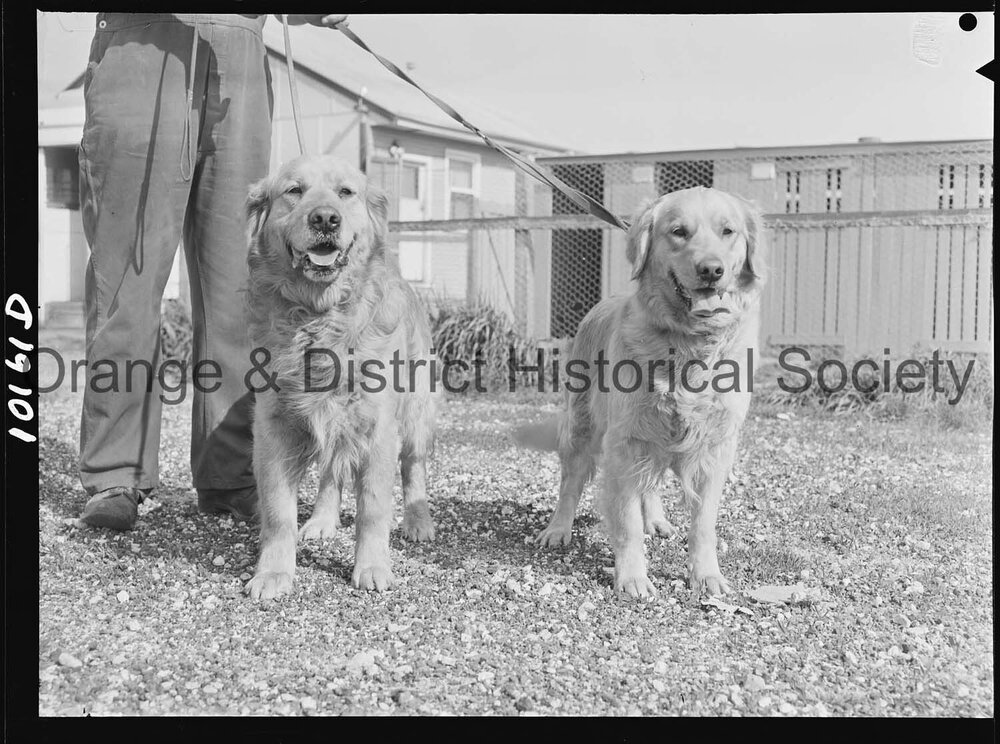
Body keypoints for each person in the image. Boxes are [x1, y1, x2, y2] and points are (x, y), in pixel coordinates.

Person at [77, 13, 347, 530]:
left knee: (241, 291)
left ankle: (232, 475)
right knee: (125, 284)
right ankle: (115, 471)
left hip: (239, 58)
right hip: (143, 41)